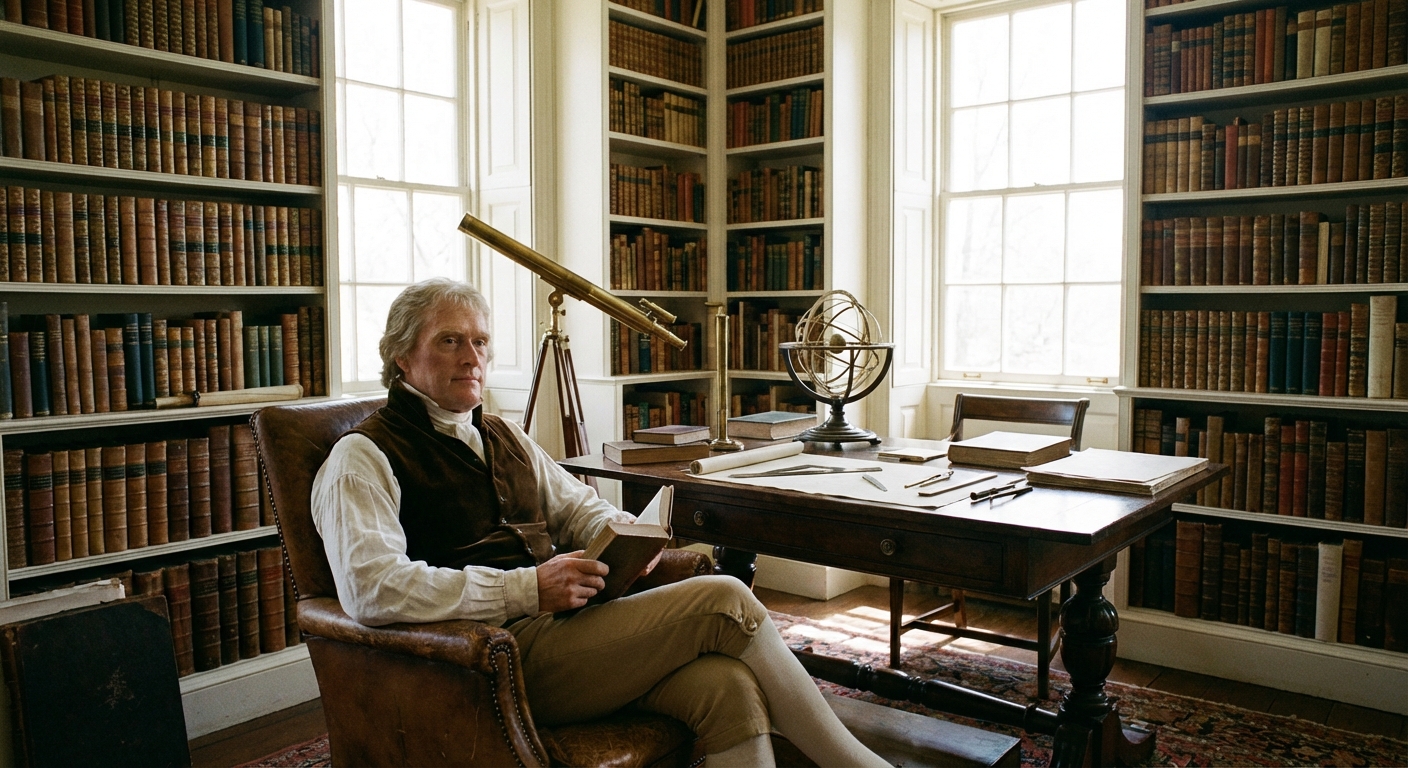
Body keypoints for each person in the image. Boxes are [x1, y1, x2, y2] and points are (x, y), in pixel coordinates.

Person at [311, 278, 890, 767]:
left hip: (561, 633)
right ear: (401, 355)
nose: (473, 358)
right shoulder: (361, 458)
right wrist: (527, 587)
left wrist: (628, 536)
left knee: (727, 688)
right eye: (451, 342)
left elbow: (577, 506)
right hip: (482, 660)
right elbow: (372, 588)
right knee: (724, 599)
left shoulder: (501, 433)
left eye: (481, 342)